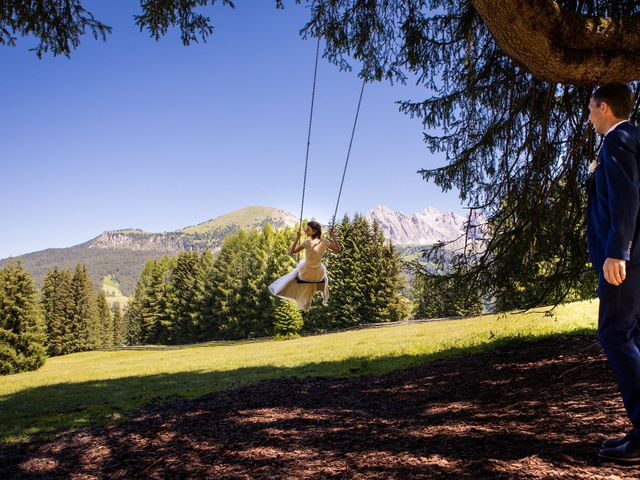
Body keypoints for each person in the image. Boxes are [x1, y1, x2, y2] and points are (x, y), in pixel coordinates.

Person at [586, 81, 640, 463]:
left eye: (591, 109)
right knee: (634, 335)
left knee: (614, 333)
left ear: (605, 107)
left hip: (626, 261)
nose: (588, 117)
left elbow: (626, 195)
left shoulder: (617, 140)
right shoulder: (636, 137)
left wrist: (617, 251)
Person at [268, 221, 341, 309]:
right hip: (318, 275)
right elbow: (338, 249)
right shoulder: (325, 242)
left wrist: (297, 237)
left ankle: (287, 291)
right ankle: (317, 291)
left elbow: (292, 251)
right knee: (322, 272)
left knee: (294, 274)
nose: (306, 231)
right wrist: (333, 235)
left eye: (308, 230)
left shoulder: (307, 242)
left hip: (305, 274)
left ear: (314, 231)